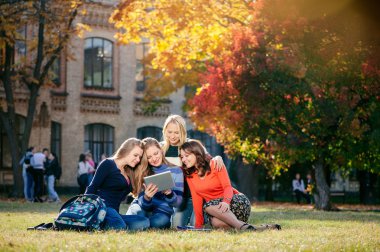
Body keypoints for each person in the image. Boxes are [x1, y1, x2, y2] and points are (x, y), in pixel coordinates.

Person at [180, 140, 280, 231]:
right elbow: (197, 198)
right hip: (218, 211)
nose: (184, 159)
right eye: (182, 157)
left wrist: (226, 202)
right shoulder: (190, 175)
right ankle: (256, 228)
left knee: (207, 206)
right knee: (215, 223)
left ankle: (241, 226)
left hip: (235, 201)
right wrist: (198, 226)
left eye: (186, 156)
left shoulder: (215, 164)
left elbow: (227, 187)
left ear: (196, 153)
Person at [161, 114, 225, 228]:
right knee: (175, 226)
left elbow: (208, 160)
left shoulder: (191, 145)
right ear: (165, 130)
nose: (172, 136)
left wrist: (217, 158)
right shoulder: (161, 149)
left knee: (194, 226)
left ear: (183, 132)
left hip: (194, 196)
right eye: (169, 132)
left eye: (176, 132)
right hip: (174, 197)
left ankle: (208, 214)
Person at [85, 138, 149, 231]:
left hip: (114, 212)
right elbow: (92, 187)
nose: (138, 159)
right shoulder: (108, 164)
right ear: (126, 151)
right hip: (102, 208)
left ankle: (110, 224)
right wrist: (86, 211)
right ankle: (96, 223)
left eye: (139, 157)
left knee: (144, 222)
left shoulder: (129, 171)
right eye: (135, 155)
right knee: (120, 225)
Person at [126, 138, 184, 229]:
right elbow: (144, 205)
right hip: (141, 207)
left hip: (162, 211)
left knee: (156, 223)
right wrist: (147, 197)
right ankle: (139, 222)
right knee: (139, 214)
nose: (154, 159)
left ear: (161, 150)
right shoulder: (143, 171)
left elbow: (178, 203)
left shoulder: (176, 171)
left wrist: (170, 194)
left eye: (156, 153)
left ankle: (141, 223)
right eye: (149, 157)